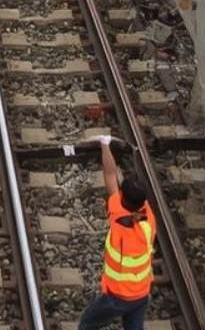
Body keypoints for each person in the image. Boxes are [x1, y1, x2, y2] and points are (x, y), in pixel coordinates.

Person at [78, 135, 155, 330]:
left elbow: (110, 175)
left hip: (117, 296)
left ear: (122, 199)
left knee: (87, 323)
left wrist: (105, 145)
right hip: (141, 293)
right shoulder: (148, 217)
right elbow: (114, 179)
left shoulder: (118, 215)